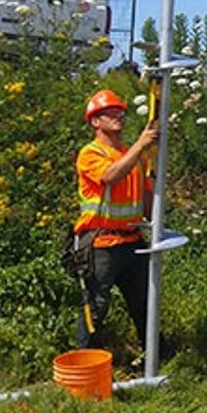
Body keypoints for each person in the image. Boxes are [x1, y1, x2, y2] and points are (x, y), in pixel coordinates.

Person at [72, 89, 157, 352]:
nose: (117, 116)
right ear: (95, 122)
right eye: (109, 113)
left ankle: (154, 357)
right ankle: (86, 362)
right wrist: (141, 145)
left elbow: (146, 201)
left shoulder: (131, 155)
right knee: (96, 306)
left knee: (145, 304)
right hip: (101, 243)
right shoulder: (91, 153)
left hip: (133, 241)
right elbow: (110, 176)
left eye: (119, 112)